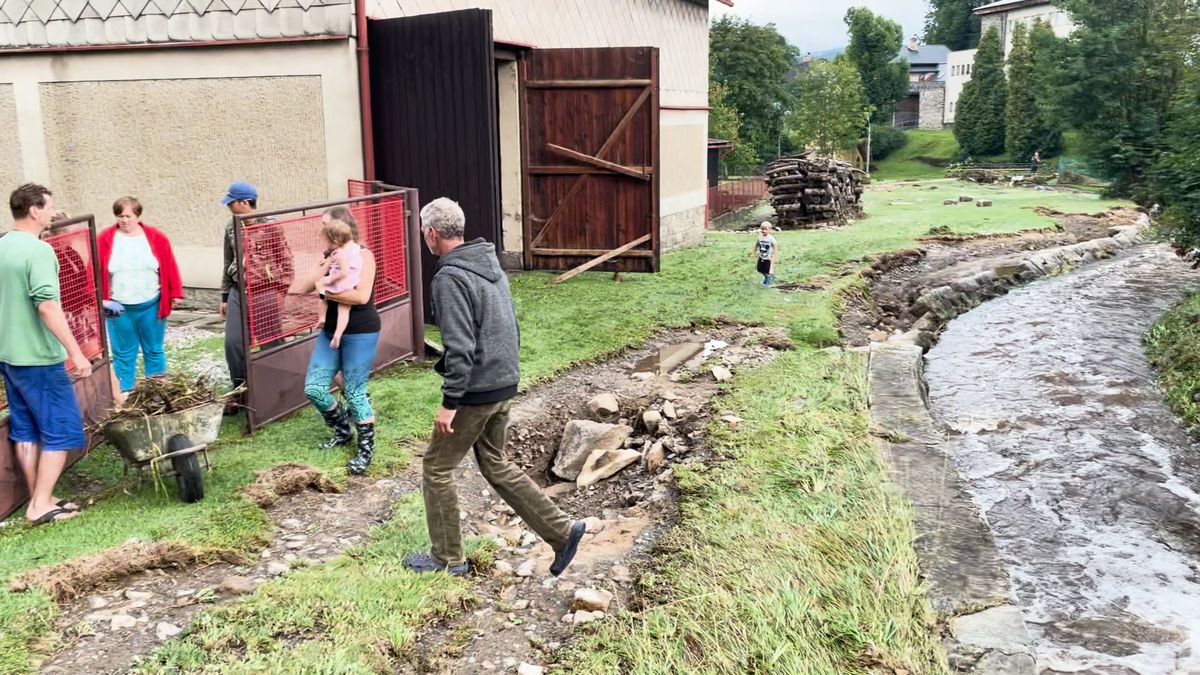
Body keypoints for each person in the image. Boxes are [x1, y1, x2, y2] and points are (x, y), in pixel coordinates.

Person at [403, 197, 585, 577]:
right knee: (496, 463)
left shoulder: (450, 276)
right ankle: (563, 531)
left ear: (431, 233)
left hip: (476, 390)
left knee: (436, 467)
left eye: (424, 231)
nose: (424, 237)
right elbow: (508, 326)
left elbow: (460, 346)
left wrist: (450, 404)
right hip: (503, 381)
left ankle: (447, 558)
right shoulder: (489, 263)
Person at [0, 184, 91, 525]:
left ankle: (42, 494)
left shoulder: (3, 244)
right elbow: (48, 307)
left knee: (25, 427)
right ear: (34, 210)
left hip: (8, 354)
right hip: (38, 356)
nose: (53, 212)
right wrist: (76, 354)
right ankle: (38, 505)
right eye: (49, 206)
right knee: (63, 427)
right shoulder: (38, 252)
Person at [299, 208, 380, 475]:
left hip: (360, 331)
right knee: (314, 388)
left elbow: (360, 297)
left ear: (339, 228)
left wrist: (325, 291)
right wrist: (319, 273)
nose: (319, 231)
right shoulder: (329, 257)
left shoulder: (364, 255)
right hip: (330, 331)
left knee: (355, 392)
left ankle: (365, 449)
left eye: (324, 225)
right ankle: (343, 430)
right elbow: (300, 288)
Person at [97, 197, 184, 394]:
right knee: (123, 353)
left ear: (138, 216)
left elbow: (169, 264)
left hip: (151, 304)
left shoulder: (155, 237)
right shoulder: (105, 239)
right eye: (120, 216)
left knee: (153, 349)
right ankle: (123, 395)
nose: (124, 220)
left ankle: (157, 392)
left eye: (128, 216)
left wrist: (175, 293)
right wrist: (101, 301)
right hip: (118, 307)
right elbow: (95, 270)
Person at [219, 182, 294, 391]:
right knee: (233, 344)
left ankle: (279, 389)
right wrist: (225, 296)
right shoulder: (231, 226)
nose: (228, 207)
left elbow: (286, 261)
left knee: (270, 342)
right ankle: (243, 390)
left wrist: (281, 291)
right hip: (237, 290)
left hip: (264, 291)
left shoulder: (270, 225)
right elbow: (228, 261)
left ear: (244, 203)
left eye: (231, 202)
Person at [314, 218, 364, 349]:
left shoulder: (339, 253)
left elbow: (344, 271)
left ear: (334, 241)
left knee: (322, 294)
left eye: (327, 242)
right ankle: (338, 334)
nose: (326, 245)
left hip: (341, 282)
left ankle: (322, 317)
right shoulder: (354, 247)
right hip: (352, 282)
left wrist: (328, 280)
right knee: (344, 311)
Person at [752, 221, 779, 287]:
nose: (763, 231)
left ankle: (767, 283)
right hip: (761, 257)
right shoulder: (760, 237)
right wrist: (753, 252)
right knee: (759, 269)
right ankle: (769, 277)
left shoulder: (771, 238)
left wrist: (774, 256)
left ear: (769, 230)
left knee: (767, 271)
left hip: (768, 258)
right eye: (762, 229)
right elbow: (756, 245)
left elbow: (775, 247)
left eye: (765, 229)